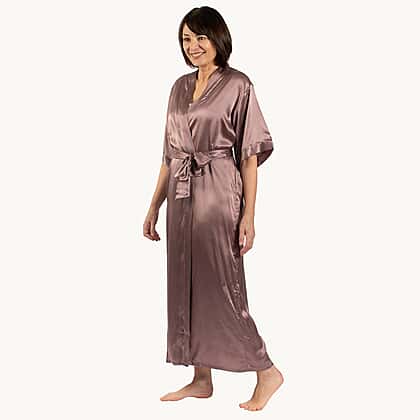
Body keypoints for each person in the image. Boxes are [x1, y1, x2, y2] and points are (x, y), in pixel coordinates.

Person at [143, 6, 284, 411]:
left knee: (224, 285)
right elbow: (170, 155)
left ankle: (266, 371)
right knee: (185, 285)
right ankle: (201, 378)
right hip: (181, 198)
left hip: (219, 193)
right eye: (186, 39)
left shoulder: (238, 85)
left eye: (200, 37)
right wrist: (153, 206)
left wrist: (249, 215)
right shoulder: (178, 87)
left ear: (217, 38)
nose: (193, 46)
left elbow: (250, 155)